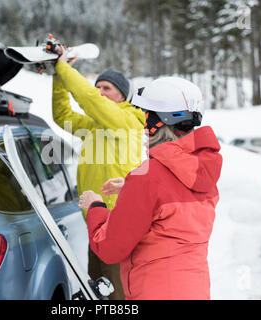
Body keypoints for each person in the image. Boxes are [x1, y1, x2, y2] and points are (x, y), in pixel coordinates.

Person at [79, 77, 223, 300]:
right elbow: (170, 200)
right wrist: (130, 188)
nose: (144, 126)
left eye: (147, 116)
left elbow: (110, 248)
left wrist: (95, 206)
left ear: (160, 120)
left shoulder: (146, 178)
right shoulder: (203, 173)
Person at [51, 46, 146, 300]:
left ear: (122, 96)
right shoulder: (95, 126)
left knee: (118, 295)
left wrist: (63, 67)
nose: (100, 92)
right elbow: (62, 116)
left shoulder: (126, 121)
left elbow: (89, 100)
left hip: (118, 223)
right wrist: (59, 79)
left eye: (107, 88)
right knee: (99, 291)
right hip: (96, 221)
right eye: (98, 87)